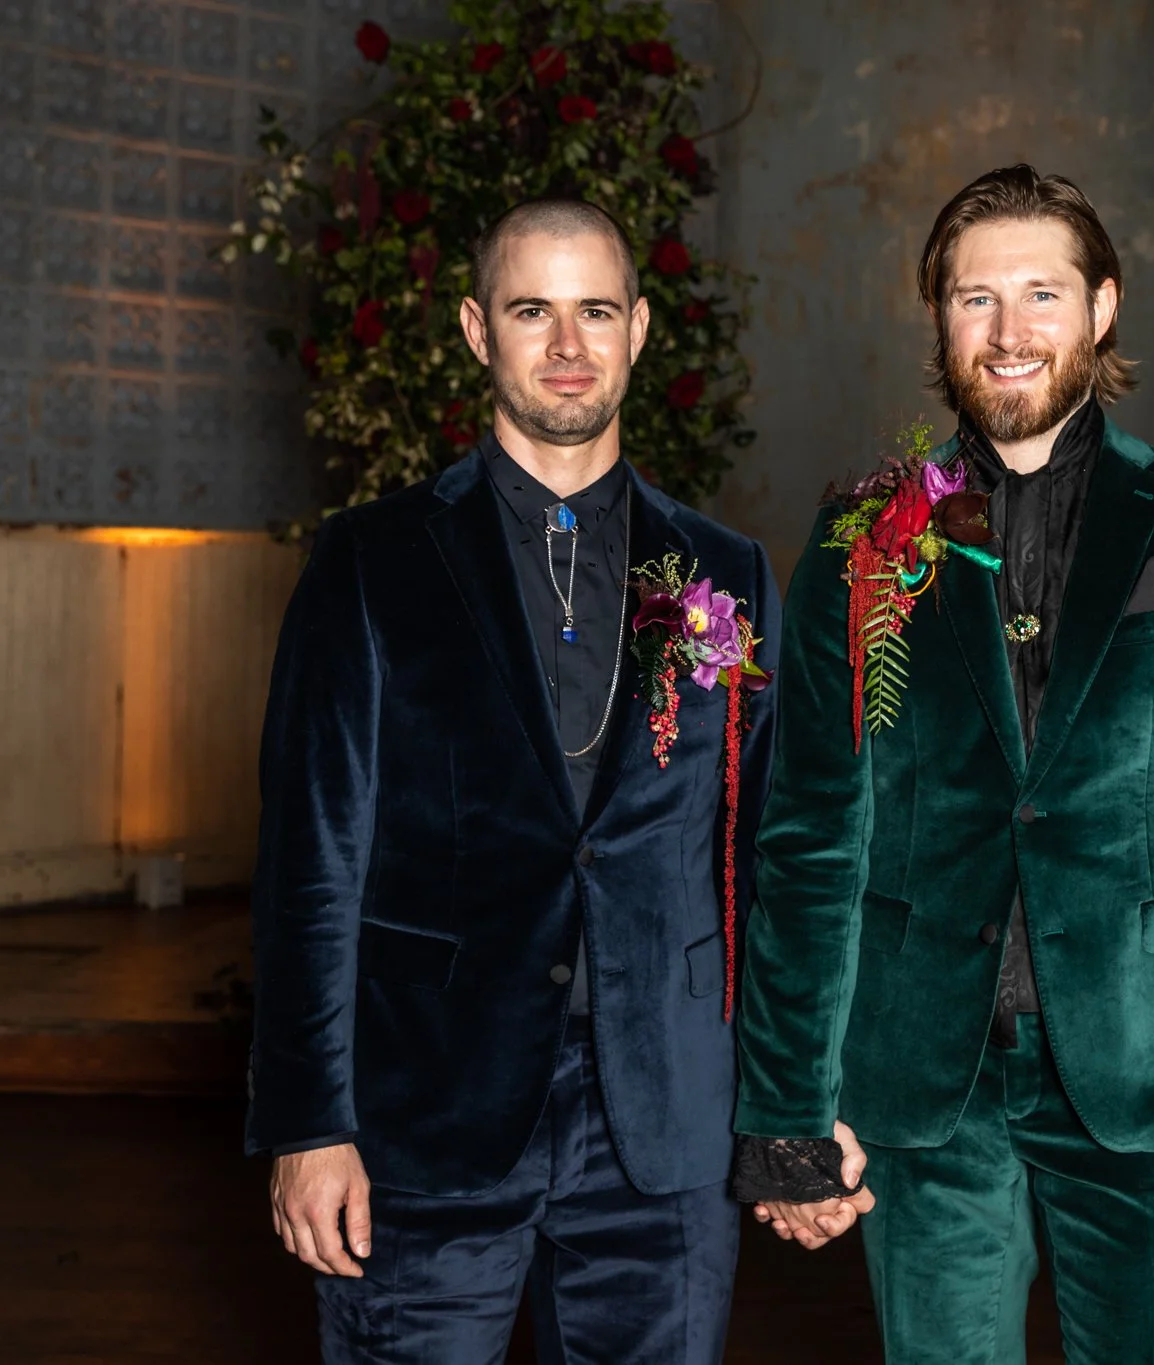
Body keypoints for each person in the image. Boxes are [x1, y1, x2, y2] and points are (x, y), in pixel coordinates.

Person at [729, 164, 1154, 1363]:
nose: (1008, 332)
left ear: (1101, 307)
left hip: (1149, 1068)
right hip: (924, 1077)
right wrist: (786, 1109)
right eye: (975, 298)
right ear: (938, 319)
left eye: (1041, 294)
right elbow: (809, 835)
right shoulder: (863, 531)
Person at [246, 198, 778, 1365]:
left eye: (596, 311)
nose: (569, 345)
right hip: (428, 1109)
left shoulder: (726, 571)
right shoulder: (371, 561)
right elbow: (310, 862)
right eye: (533, 311)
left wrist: (785, 1104)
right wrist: (307, 1122)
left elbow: (759, 860)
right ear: (476, 329)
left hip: (664, 1120)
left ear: (640, 328)